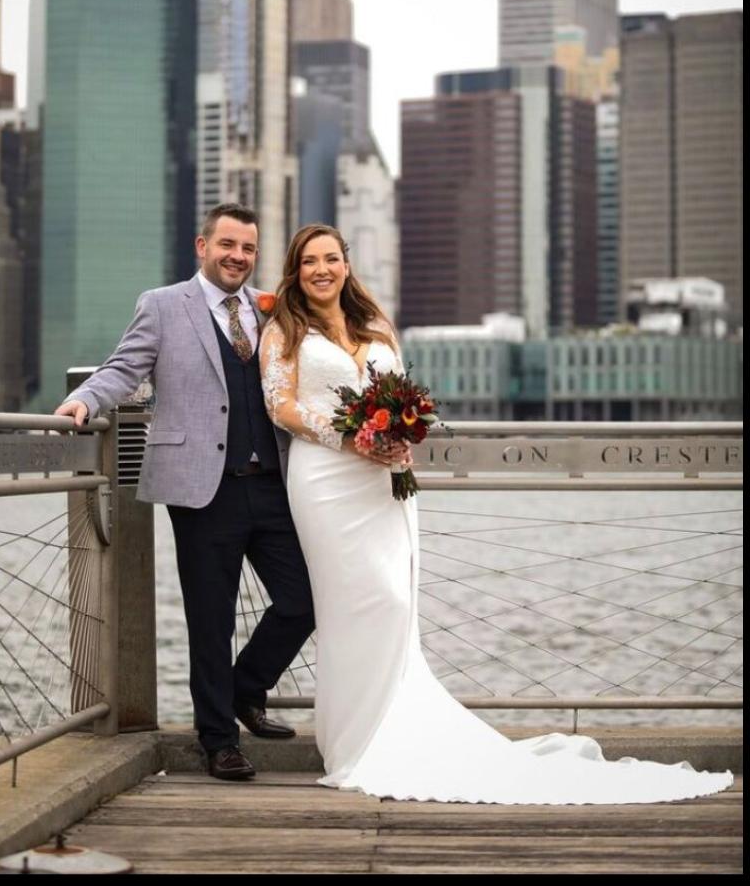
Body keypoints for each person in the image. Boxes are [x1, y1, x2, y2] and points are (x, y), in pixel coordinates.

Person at [258, 222, 735, 805]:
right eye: (310, 261)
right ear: (295, 268)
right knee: (354, 602)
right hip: (327, 480)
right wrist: (348, 438)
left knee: (396, 600)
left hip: (383, 481)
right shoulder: (284, 329)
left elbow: (402, 397)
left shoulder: (377, 326)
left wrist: (402, 438)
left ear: (347, 265)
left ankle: (394, 725)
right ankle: (353, 742)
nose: (322, 270)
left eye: (332, 258)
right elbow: (281, 407)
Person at [55, 203, 315, 782]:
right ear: (203, 246)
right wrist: (86, 400)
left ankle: (247, 689)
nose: (237, 257)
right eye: (227, 245)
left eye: (247, 248)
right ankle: (218, 740)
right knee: (210, 619)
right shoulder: (163, 304)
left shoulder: (270, 310)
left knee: (305, 598)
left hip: (273, 485)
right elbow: (125, 367)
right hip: (202, 489)